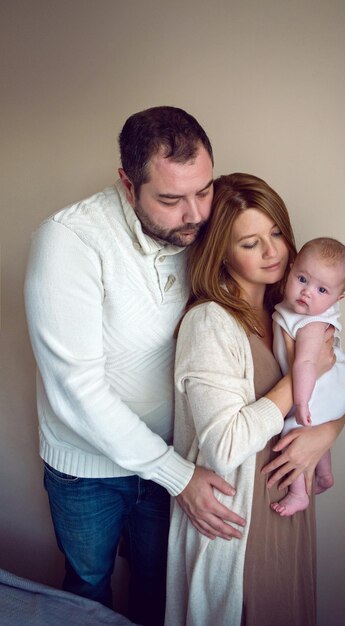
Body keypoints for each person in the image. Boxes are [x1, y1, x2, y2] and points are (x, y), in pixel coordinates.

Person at [23, 106, 246, 626]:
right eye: (170, 199)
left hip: (174, 454)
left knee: (160, 589)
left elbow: (289, 310)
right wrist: (179, 477)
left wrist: (322, 426)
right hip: (88, 469)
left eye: (204, 189)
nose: (194, 213)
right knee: (88, 588)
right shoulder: (68, 241)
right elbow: (76, 388)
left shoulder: (204, 229)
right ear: (127, 184)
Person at [165, 173, 345, 626]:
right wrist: (295, 383)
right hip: (237, 527)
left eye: (277, 234)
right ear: (221, 253)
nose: (273, 252)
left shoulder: (292, 314)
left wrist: (327, 432)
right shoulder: (209, 323)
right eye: (250, 243)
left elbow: (333, 389)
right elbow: (224, 446)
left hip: (288, 510)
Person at [271, 237, 345, 517]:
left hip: (320, 388)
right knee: (313, 430)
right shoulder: (298, 308)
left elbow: (307, 362)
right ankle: (325, 474)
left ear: (337, 298)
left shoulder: (311, 322)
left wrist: (302, 404)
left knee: (294, 431)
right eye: (302, 279)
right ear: (291, 268)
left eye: (321, 289)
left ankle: (298, 494)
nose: (308, 293)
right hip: (332, 389)